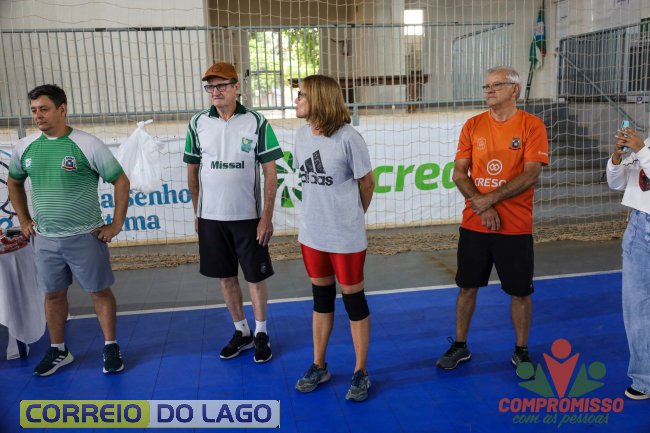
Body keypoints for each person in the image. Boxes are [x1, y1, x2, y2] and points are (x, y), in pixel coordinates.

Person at [7, 84, 130, 376]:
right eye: (34, 110)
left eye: (44, 109)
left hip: (86, 237)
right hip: (45, 240)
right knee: (52, 295)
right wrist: (24, 220)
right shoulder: (25, 147)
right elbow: (14, 181)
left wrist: (116, 225)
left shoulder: (88, 144)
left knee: (99, 292)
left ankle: (110, 346)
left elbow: (121, 181)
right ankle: (59, 350)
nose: (38, 115)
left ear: (62, 109)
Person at [436, 66, 549, 376]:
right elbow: (459, 173)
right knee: (466, 287)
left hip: (515, 227)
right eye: (486, 86)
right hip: (475, 224)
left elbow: (531, 173)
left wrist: (491, 198)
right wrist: (482, 205)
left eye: (496, 85)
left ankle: (521, 350)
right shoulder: (473, 125)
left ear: (514, 89)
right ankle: (460, 344)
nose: (489, 90)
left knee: (520, 292)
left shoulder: (532, 125)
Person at [184, 62, 282, 363]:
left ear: (236, 87)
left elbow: (270, 173)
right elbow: (192, 171)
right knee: (226, 278)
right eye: (210, 87)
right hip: (212, 219)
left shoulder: (257, 121)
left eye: (221, 85)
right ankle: (242, 331)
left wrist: (266, 216)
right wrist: (198, 212)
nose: (215, 91)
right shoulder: (198, 123)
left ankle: (261, 332)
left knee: (255, 277)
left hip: (249, 218)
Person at [292, 75, 375, 402]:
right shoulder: (300, 136)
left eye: (302, 95)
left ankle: (361, 371)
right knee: (321, 300)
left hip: (345, 239)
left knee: (354, 302)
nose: (296, 100)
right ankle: (319, 365)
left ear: (319, 99)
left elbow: (367, 184)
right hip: (312, 235)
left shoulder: (349, 138)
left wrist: (351, 218)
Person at [606, 123, 650, 400]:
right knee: (636, 308)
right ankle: (644, 379)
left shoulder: (644, 146)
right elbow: (617, 183)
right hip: (638, 226)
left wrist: (641, 150)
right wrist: (616, 158)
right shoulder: (647, 142)